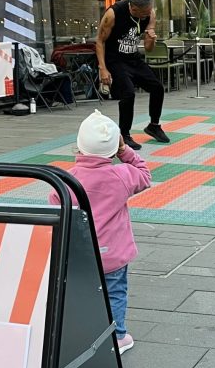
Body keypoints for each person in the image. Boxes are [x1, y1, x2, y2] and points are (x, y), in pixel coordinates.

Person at [49, 111, 152, 352]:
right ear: (114, 145)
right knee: (115, 293)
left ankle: (84, 331)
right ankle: (117, 337)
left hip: (80, 255)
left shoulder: (66, 180)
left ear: (79, 145)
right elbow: (145, 175)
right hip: (114, 255)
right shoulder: (121, 175)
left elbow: (57, 211)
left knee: (84, 293)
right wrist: (124, 151)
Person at [97, 0, 170, 150]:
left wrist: (151, 38)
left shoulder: (150, 14)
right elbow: (100, 41)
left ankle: (154, 125)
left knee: (157, 87)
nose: (146, 16)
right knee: (128, 93)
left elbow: (148, 49)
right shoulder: (113, 14)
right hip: (115, 60)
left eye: (148, 12)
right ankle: (124, 134)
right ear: (134, 8)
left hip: (134, 59)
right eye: (143, 13)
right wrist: (102, 68)